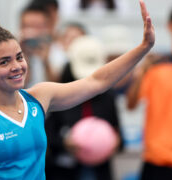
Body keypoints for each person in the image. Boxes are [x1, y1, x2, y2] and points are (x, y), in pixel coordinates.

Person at [0, 0, 154, 179]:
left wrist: (143, 47)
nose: (17, 66)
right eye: (4, 62)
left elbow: (97, 81)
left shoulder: (39, 97)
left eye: (19, 57)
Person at [45, 36, 121, 180]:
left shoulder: (108, 97)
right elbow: (47, 135)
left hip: (99, 170)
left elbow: (119, 135)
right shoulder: (61, 94)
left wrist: (114, 142)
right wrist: (64, 143)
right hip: (64, 172)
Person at [127, 4, 172, 180]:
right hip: (157, 160)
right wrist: (140, 72)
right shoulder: (155, 67)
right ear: (170, 26)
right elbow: (131, 104)